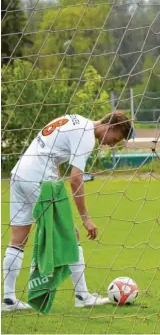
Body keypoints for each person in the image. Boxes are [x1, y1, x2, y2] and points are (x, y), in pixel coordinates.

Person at [3, 111, 133, 311]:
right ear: (111, 127)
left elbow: (52, 153)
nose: (112, 144)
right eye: (115, 139)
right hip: (37, 179)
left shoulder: (74, 119)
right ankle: (82, 297)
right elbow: (75, 180)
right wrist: (86, 218)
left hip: (20, 174)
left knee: (18, 236)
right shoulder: (86, 136)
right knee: (72, 234)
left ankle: (8, 299)